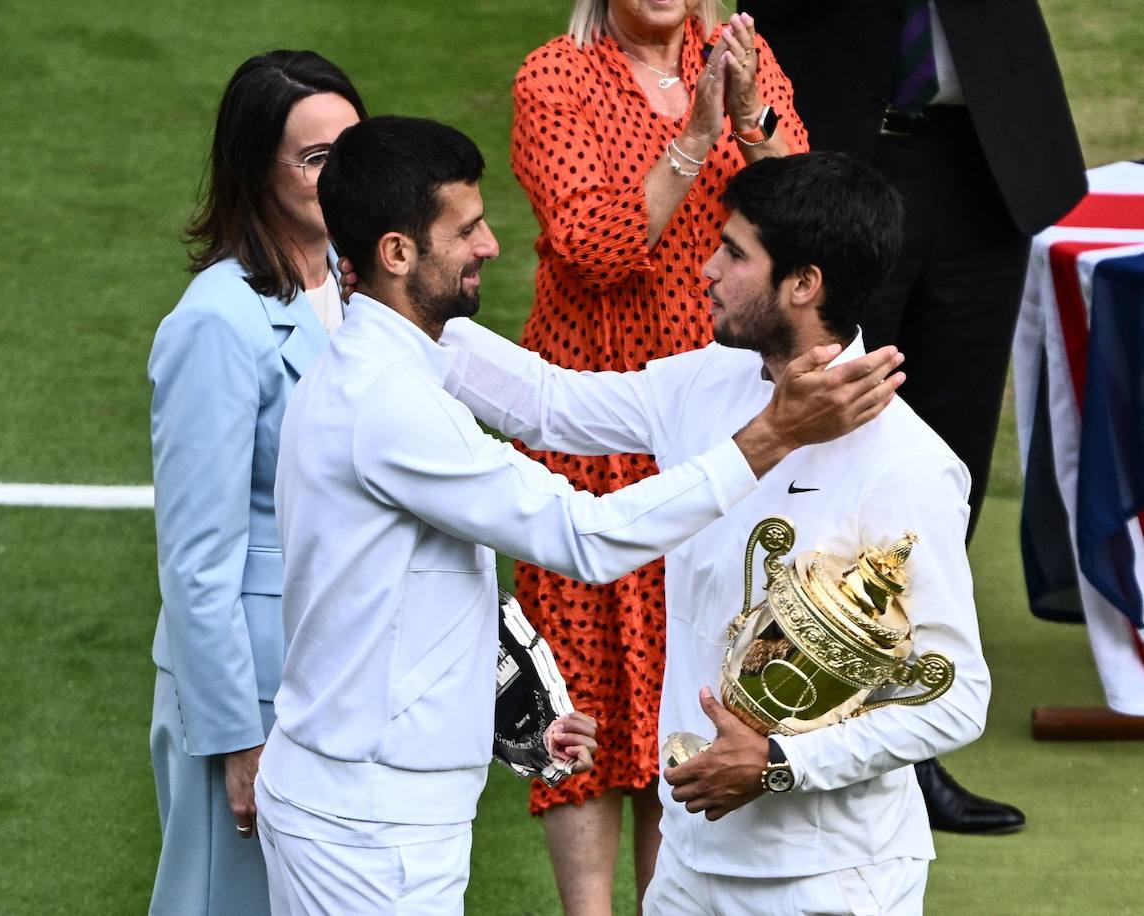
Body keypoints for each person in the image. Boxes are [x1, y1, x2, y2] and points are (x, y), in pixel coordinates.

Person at [254, 117, 904, 915]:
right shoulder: (388, 401)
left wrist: (494, 717)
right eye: (468, 229)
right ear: (397, 254)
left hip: (379, 807)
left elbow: (546, 403)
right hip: (368, 824)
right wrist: (772, 435)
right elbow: (582, 536)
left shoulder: (409, 351)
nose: (492, 245)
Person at [440, 151, 988, 914]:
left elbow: (954, 698)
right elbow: (545, 402)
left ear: (804, 284)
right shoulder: (705, 382)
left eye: (733, 252)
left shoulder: (908, 465)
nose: (704, 269)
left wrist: (779, 761)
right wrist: (393, 310)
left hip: (832, 883)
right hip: (689, 869)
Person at [736, 0, 1086, 836]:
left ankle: (902, 734)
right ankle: (788, 711)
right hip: (838, 147)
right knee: (831, 434)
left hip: (984, 158)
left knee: (946, 450)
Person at [508, 1, 806, 904]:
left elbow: (811, 215)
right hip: (595, 415)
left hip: (717, 411)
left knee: (696, 669)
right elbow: (594, 249)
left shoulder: (748, 60)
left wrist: (750, 119)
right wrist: (693, 138)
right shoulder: (553, 76)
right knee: (587, 688)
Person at [144, 50, 365, 916]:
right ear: (253, 169)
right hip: (254, 696)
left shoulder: (358, 287)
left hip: (334, 677)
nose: (338, 174)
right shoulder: (215, 323)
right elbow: (198, 560)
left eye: (352, 149)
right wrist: (239, 740)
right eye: (313, 159)